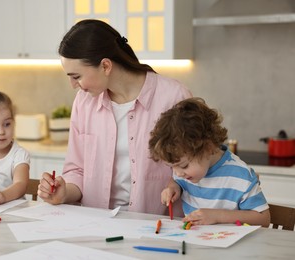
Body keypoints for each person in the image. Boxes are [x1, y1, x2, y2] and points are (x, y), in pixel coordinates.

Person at [37, 19, 192, 215]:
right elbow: (77, 171)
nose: (73, 85)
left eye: (76, 76)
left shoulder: (174, 97)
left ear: (106, 66)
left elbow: (191, 168)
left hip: (157, 227)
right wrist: (63, 192)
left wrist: (174, 185)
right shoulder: (84, 103)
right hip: (98, 224)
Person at [148, 97, 270, 226]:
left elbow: (264, 219)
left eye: (184, 165)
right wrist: (173, 187)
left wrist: (218, 216)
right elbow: (177, 180)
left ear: (208, 147)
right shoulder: (186, 173)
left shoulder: (241, 176)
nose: (178, 173)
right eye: (172, 167)